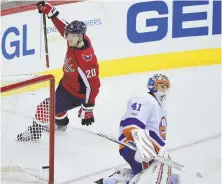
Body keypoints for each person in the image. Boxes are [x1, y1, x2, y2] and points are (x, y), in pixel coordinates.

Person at [17, 1, 100, 141]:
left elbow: (94, 86)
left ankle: (34, 133)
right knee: (58, 108)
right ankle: (62, 124)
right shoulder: (77, 39)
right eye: (69, 35)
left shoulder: (86, 60)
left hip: (75, 94)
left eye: (72, 36)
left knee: (44, 108)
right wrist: (52, 13)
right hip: (66, 83)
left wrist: (88, 108)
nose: (68, 38)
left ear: (80, 37)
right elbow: (65, 28)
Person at [95, 74, 180, 184]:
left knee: (170, 180)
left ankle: (112, 181)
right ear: (152, 85)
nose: (163, 90)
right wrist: (142, 146)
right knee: (151, 180)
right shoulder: (144, 99)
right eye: (161, 86)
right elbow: (132, 124)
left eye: (166, 87)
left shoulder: (160, 107)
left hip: (153, 153)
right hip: (136, 147)